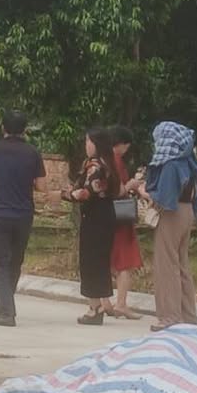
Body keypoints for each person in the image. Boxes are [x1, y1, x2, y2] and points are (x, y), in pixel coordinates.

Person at [0, 110, 47, 327]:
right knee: (14, 263)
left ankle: (6, 312)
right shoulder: (33, 152)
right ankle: (4, 308)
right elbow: (41, 186)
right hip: (24, 215)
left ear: (3, 128)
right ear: (25, 130)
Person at [132, 121, 197, 332]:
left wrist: (142, 191)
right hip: (187, 211)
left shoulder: (171, 164)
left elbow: (163, 197)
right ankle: (188, 315)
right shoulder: (188, 161)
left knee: (166, 265)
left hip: (172, 214)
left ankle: (169, 317)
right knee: (181, 264)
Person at [64, 127, 120, 325]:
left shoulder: (96, 167)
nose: (86, 145)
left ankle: (95, 308)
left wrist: (63, 195)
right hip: (103, 216)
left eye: (88, 141)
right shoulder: (106, 163)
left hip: (96, 218)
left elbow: (85, 193)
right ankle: (97, 305)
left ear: (97, 144)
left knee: (92, 261)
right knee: (97, 260)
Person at [109, 125, 142, 319]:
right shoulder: (116, 161)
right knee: (125, 261)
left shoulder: (104, 159)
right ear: (120, 143)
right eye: (126, 145)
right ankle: (121, 303)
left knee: (110, 260)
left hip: (108, 218)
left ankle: (106, 302)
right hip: (120, 218)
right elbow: (117, 189)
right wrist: (131, 185)